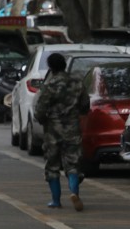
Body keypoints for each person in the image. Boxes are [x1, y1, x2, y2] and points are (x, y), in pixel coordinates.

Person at [33, 52, 89, 211]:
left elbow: (40, 109)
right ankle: (74, 192)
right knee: (73, 164)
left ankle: (56, 200)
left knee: (52, 166)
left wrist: (43, 120)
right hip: (72, 128)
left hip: (53, 130)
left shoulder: (50, 84)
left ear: (50, 67)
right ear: (64, 65)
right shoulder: (77, 82)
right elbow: (85, 105)